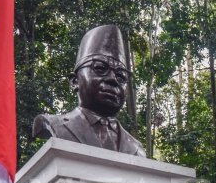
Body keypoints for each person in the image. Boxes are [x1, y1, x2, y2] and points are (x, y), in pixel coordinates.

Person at [33, 25, 145, 156]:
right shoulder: (54, 125)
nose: (113, 79)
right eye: (100, 68)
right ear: (75, 81)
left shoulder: (136, 148)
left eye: (121, 76)